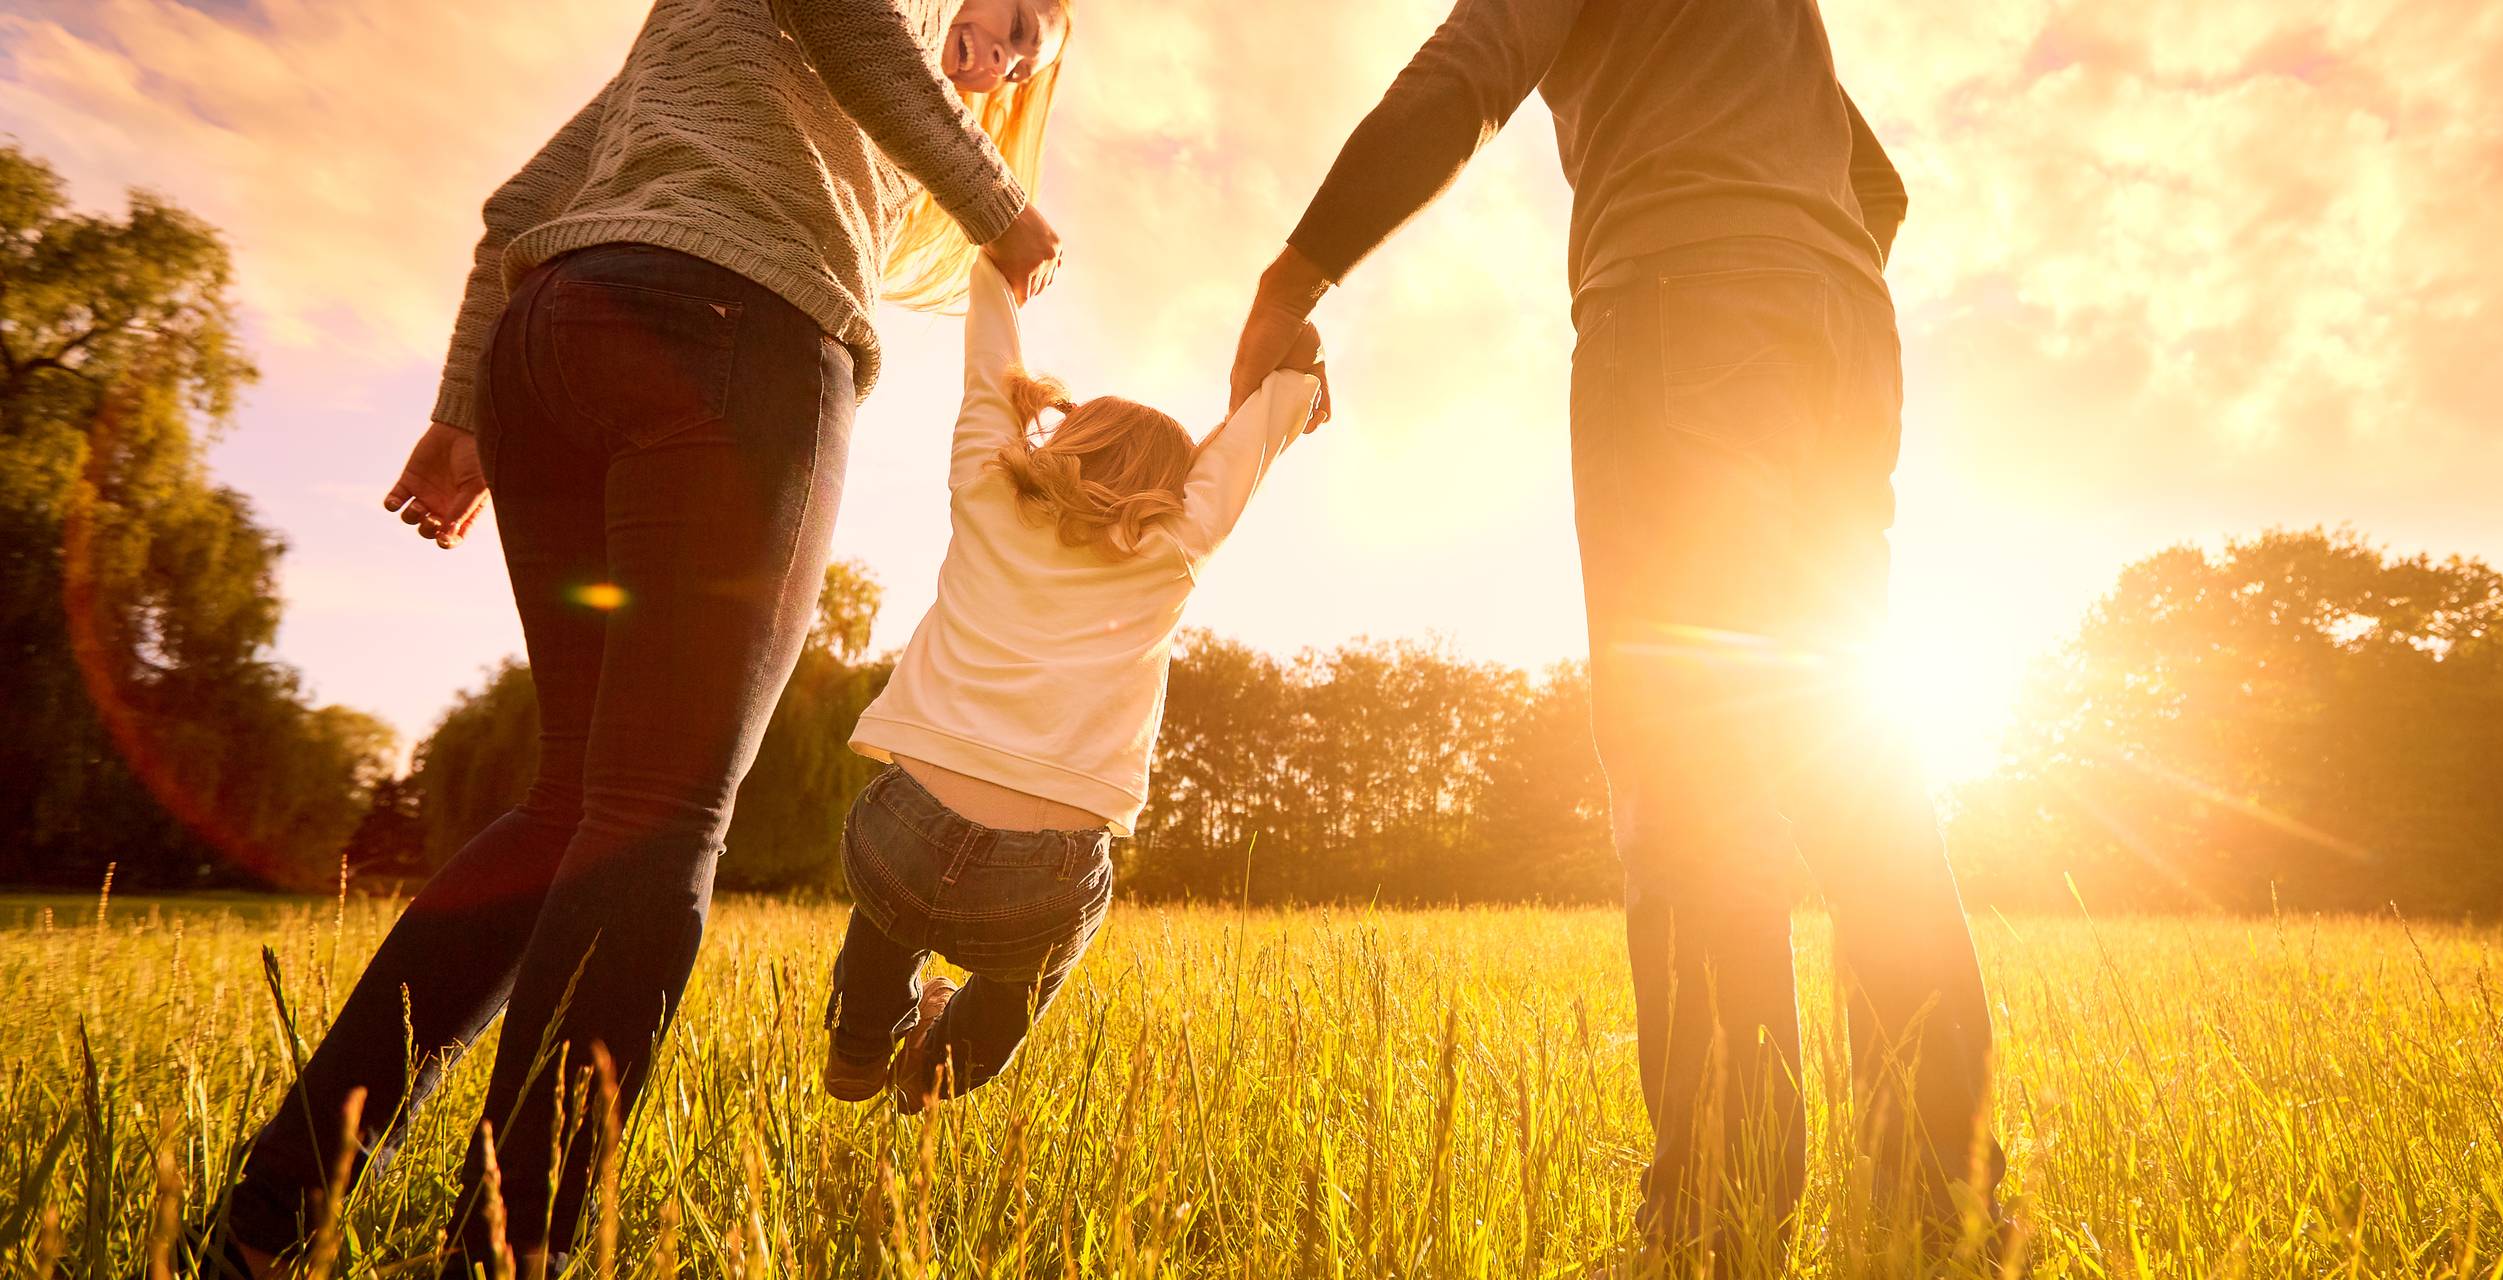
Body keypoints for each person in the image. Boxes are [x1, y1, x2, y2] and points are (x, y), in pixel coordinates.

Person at [200, 0, 1073, 1274]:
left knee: (574, 810)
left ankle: (268, 1214)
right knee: (661, 821)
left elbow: (517, 209)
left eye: (1016, 65)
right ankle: (510, 1250)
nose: (990, 63)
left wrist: (460, 415)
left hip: (548, 350)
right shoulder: (861, 34)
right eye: (1000, 22)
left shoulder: (713, 47)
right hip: (734, 339)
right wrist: (1000, 197)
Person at [1224, 0, 1997, 1260]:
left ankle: (1717, 1217)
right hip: (1844, 335)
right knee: (1854, 762)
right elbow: (1878, 185)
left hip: (1683, 314)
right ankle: (1941, 1204)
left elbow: (1469, 75)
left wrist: (1290, 276)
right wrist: (1797, 271)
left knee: (1690, 770)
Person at [823, 256, 1329, 1113]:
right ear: (1173, 489)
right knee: (1024, 978)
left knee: (893, 904)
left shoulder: (988, 488)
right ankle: (944, 1065)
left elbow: (989, 369)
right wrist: (1295, 379)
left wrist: (997, 271)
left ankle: (864, 1040)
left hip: (899, 835)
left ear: (1066, 439)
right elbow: (1254, 438)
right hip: (1042, 876)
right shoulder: (1177, 544)